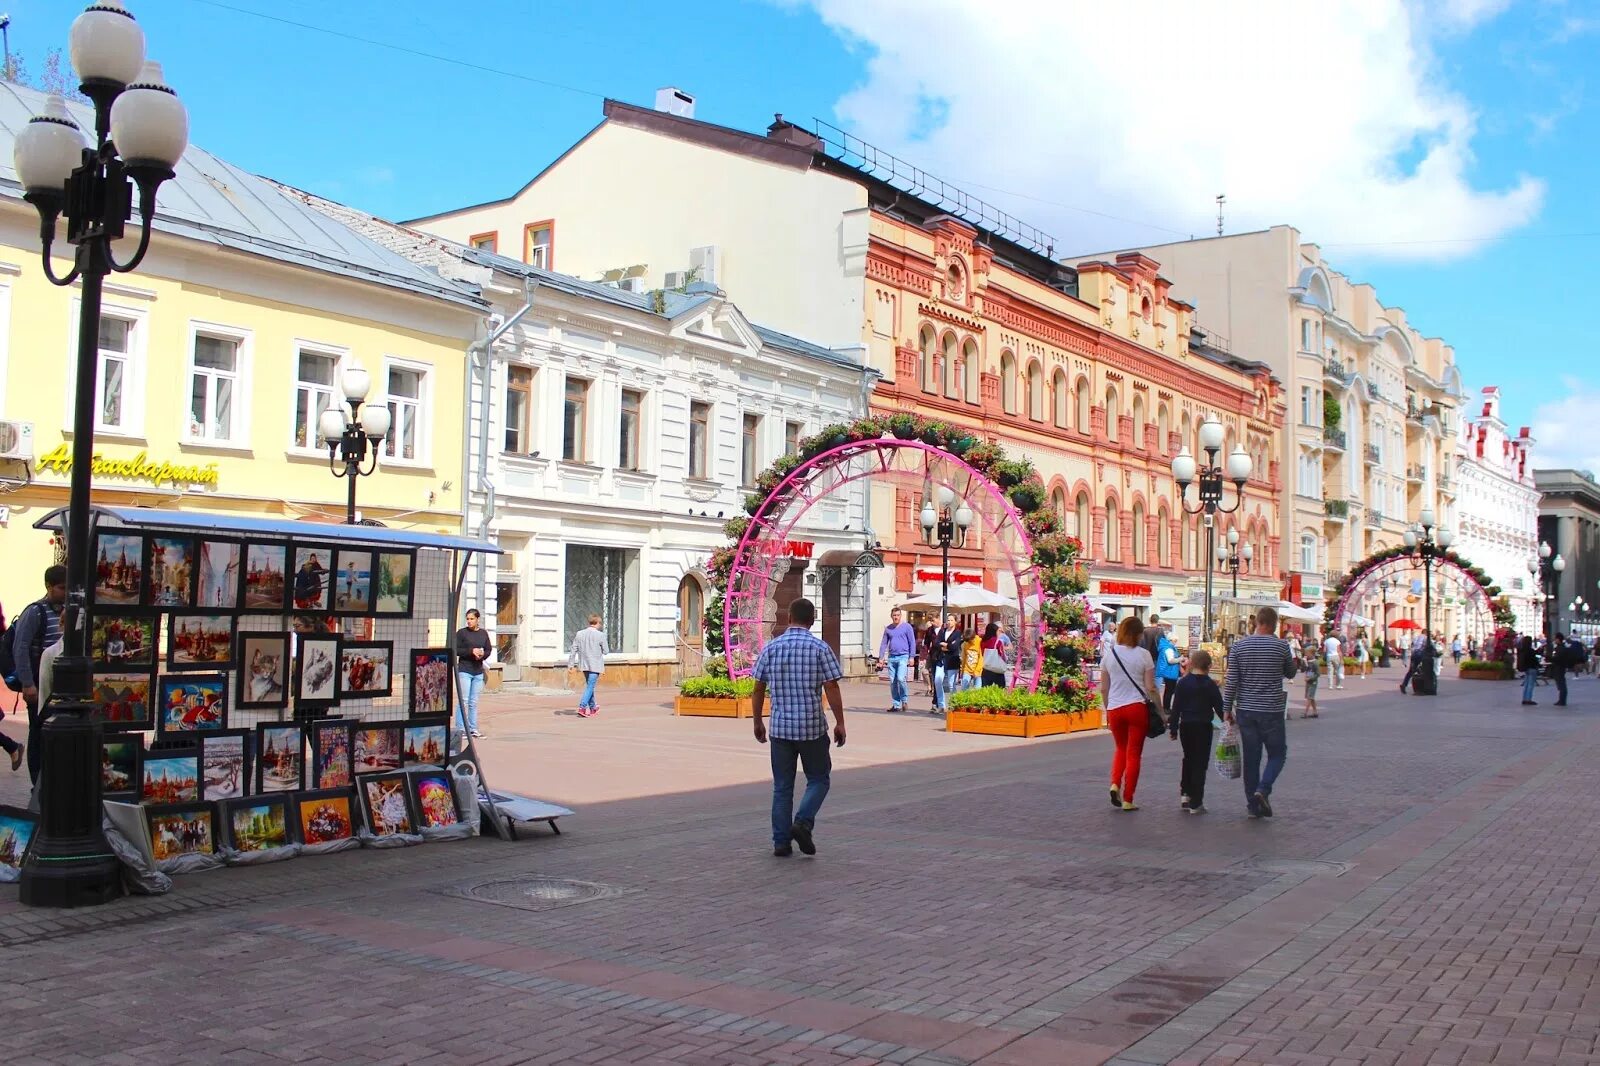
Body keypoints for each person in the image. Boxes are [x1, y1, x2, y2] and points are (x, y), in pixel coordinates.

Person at [750, 598, 844, 858]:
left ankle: (781, 843)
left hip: (780, 729)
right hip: (811, 728)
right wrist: (840, 722)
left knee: (782, 787)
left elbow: (758, 687)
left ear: (788, 617)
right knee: (819, 778)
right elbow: (832, 687)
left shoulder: (771, 648)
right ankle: (802, 822)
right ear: (812, 620)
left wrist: (757, 720)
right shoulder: (820, 648)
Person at [1223, 605, 1297, 818]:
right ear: (1274, 624)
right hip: (1272, 709)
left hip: (1246, 708)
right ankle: (1263, 790)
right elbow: (1290, 671)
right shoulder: (1281, 646)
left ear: (1257, 622)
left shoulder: (1239, 647)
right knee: (1278, 753)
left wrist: (1227, 708)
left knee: (1252, 757)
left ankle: (1252, 805)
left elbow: (1232, 681)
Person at [11, 565, 67, 785]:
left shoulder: (67, 611)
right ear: (49, 587)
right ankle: (38, 782)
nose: (65, 593)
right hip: (40, 685)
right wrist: (27, 684)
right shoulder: (35, 612)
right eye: (62, 588)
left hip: (61, 688)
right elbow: (20, 647)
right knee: (38, 733)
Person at [1099, 616, 1157, 812]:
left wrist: (1108, 710)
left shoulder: (1109, 655)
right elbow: (1151, 687)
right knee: (1134, 754)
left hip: (1115, 708)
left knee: (1120, 748)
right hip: (1136, 708)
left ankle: (1115, 783)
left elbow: (1103, 689)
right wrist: (1161, 711)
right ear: (1139, 634)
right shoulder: (1144, 655)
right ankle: (1128, 799)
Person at [1168, 647, 1222, 814]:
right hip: (1203, 726)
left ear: (1191, 664)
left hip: (1186, 725)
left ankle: (1185, 794)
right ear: (1208, 666)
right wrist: (1228, 720)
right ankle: (1196, 802)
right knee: (1200, 762)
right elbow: (1219, 707)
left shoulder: (1183, 683)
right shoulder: (1210, 684)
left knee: (1188, 758)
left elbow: (1176, 707)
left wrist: (1174, 728)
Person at [453, 608, 493, 737]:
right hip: (465, 670)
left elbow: (488, 649)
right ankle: (460, 729)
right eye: (468, 619)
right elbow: (456, 649)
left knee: (473, 701)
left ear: (477, 619)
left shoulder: (483, 633)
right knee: (463, 700)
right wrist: (471, 651)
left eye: (472, 619)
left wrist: (482, 655)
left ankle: (473, 728)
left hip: (478, 671)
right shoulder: (462, 633)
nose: (469, 621)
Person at [568, 614, 610, 719]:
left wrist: (571, 664)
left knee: (590, 686)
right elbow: (606, 651)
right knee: (590, 686)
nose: (600, 626)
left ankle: (592, 707)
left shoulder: (580, 634)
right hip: (595, 665)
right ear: (597, 623)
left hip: (584, 664)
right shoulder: (600, 635)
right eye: (600, 623)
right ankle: (582, 707)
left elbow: (573, 650)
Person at [876, 607, 917, 713]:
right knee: (893, 682)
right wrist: (881, 658)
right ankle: (896, 704)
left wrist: (912, 656)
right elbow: (884, 643)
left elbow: (912, 641)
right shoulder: (888, 629)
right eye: (894, 615)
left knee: (900, 678)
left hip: (903, 656)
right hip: (892, 657)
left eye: (898, 615)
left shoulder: (907, 627)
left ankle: (904, 700)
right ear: (891, 616)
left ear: (900, 616)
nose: (896, 617)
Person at [931, 613, 962, 714]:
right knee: (937, 680)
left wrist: (946, 645)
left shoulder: (957, 633)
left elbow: (955, 646)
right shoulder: (942, 631)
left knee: (951, 684)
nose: (949, 622)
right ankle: (941, 705)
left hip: (952, 660)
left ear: (955, 622)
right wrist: (945, 645)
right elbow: (935, 643)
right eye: (948, 620)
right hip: (941, 659)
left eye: (951, 620)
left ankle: (953, 705)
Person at [1154, 626, 1182, 717]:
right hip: (1169, 672)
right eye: (1175, 641)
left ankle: (1166, 707)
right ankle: (1166, 708)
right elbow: (1171, 660)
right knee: (1169, 690)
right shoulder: (1168, 649)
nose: (1176, 642)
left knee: (1168, 690)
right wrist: (1180, 659)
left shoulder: (1166, 647)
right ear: (1171, 640)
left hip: (1169, 672)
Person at [979, 621, 1011, 687]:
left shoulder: (983, 641)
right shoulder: (997, 641)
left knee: (986, 690)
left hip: (986, 668)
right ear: (994, 631)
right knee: (1001, 688)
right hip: (997, 669)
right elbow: (1002, 655)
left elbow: (982, 653)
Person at [1517, 634, 1540, 706]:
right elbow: (1534, 659)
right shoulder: (1530, 650)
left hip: (1526, 668)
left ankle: (1524, 698)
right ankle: (1528, 699)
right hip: (1532, 668)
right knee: (1530, 684)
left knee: (1526, 684)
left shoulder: (1521, 650)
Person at [1300, 646, 1320, 718]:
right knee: (1311, 697)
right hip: (1308, 681)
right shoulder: (1307, 661)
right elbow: (1303, 670)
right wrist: (1303, 662)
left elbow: (1318, 674)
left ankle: (1305, 712)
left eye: (1307, 653)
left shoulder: (1315, 663)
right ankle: (1315, 712)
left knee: (1309, 697)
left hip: (1313, 682)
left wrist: (1310, 678)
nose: (1306, 655)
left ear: (1312, 654)